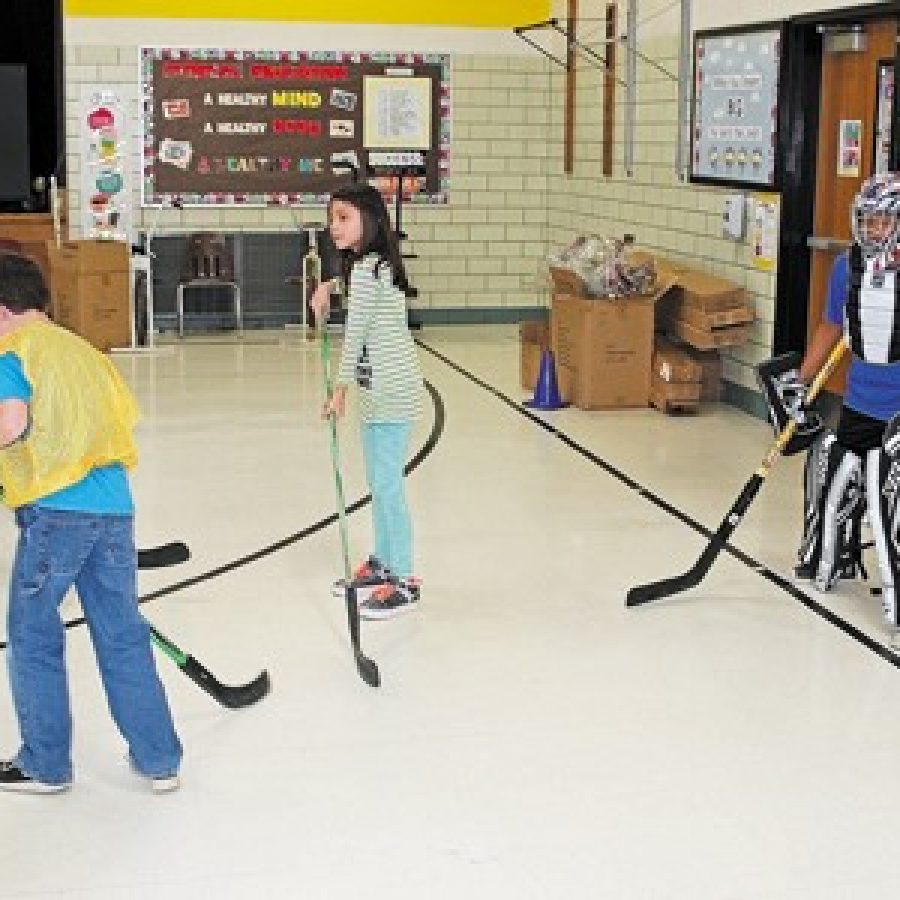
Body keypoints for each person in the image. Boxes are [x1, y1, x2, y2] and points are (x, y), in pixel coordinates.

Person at [0, 252, 181, 794]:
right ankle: (159, 759)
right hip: (113, 510)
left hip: (56, 515)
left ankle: (46, 763)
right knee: (121, 632)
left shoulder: (14, 351)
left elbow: (11, 423)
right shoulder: (84, 351)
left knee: (31, 633)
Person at [757, 173, 900, 629]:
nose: (876, 230)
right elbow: (830, 327)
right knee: (830, 471)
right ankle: (828, 557)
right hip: (859, 402)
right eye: (869, 221)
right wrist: (801, 380)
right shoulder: (847, 268)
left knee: (886, 495)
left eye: (885, 222)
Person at [310, 183, 424, 620]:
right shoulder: (371, 267)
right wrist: (328, 285)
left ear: (369, 221)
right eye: (332, 218)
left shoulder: (368, 272)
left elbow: (355, 333)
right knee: (380, 483)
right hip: (378, 390)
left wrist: (338, 390)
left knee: (388, 485)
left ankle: (405, 578)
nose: (333, 226)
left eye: (344, 218)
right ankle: (383, 563)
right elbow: (358, 284)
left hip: (391, 390)